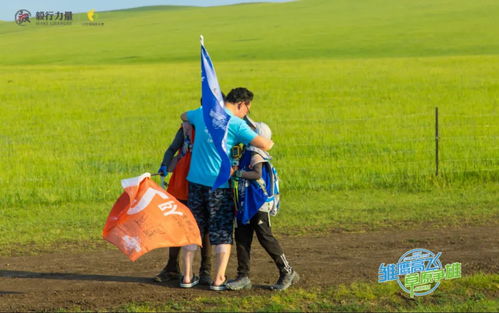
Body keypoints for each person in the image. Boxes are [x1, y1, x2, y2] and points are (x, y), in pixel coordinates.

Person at [179, 87, 274, 291]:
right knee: (222, 231)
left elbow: (183, 114)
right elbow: (264, 144)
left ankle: (186, 277)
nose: (246, 113)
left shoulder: (203, 113)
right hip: (220, 185)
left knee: (192, 229)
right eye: (247, 108)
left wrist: (187, 123)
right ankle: (219, 279)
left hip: (195, 182)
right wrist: (269, 141)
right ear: (241, 104)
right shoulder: (236, 123)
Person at [226, 122, 299, 291]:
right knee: (242, 238)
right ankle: (243, 276)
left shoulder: (256, 153)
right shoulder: (246, 151)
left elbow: (257, 174)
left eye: (251, 131)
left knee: (265, 237)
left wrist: (237, 173)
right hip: (245, 203)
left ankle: (287, 271)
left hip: (258, 204)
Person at [153, 122, 213, 285]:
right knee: (178, 225)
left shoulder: (216, 127)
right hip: (181, 183)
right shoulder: (188, 125)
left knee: (204, 227)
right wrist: (165, 164)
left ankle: (205, 270)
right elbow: (172, 148)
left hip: (203, 182)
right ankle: (172, 268)